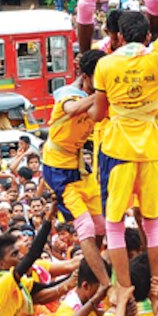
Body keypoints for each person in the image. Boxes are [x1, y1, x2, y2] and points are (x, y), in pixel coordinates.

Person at [91, 0, 158, 292]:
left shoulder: (105, 64)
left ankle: (124, 289)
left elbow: (99, 112)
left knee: (115, 225)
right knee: (153, 222)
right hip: (152, 149)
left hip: (117, 151)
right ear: (147, 36)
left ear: (118, 37)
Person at [40, 49, 110, 286]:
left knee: (102, 225)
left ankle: (93, 266)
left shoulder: (95, 95)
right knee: (86, 226)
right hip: (58, 168)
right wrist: (103, 93)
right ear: (87, 77)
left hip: (80, 167)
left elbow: (97, 115)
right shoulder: (69, 94)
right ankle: (103, 281)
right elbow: (73, 109)